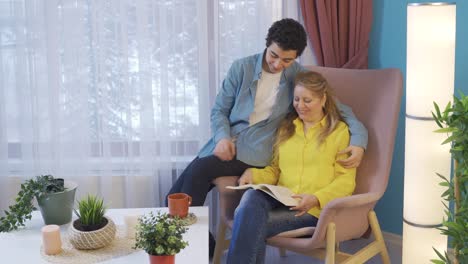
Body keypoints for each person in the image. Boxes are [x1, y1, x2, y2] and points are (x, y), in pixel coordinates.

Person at [166, 18, 367, 256]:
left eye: (287, 59)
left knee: (197, 175)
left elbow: (341, 110)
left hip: (259, 149)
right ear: (267, 45)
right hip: (230, 142)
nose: (278, 64)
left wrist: (359, 141)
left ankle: (186, 248)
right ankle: (197, 244)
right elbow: (219, 109)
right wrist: (222, 137)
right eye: (274, 55)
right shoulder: (241, 68)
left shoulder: (298, 76)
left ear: (295, 58)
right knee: (175, 194)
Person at [226, 71, 357, 263]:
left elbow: (346, 180)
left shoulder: (339, 132)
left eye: (307, 100)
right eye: (296, 99)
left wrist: (316, 199)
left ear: (323, 99)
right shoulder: (287, 129)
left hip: (311, 211)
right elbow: (275, 170)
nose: (300, 106)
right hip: (281, 199)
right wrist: (253, 174)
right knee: (251, 197)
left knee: (248, 220)